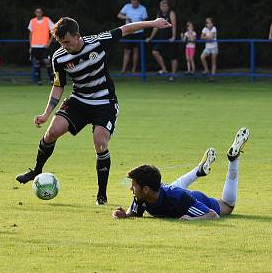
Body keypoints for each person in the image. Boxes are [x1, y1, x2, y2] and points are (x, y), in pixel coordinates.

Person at [15, 15, 171, 205]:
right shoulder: (59, 57)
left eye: (67, 42)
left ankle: (102, 195)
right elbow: (58, 85)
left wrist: (153, 24)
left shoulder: (98, 42)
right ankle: (36, 171)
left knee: (100, 143)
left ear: (77, 35)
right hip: (79, 100)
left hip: (104, 102)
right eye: (61, 43)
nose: (64, 46)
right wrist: (46, 113)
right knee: (52, 133)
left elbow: (126, 28)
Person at [112, 127, 250, 220]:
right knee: (173, 190)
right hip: (170, 192)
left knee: (228, 206)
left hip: (193, 198)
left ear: (146, 189)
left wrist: (192, 220)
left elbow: (212, 215)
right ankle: (198, 170)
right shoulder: (141, 196)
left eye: (133, 186)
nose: (131, 189)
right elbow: (134, 213)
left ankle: (233, 161)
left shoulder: (181, 200)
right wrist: (125, 215)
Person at [145, 0, 177, 78]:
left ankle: (173, 76)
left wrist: (173, 37)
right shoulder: (159, 14)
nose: (163, 7)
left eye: (165, 6)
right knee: (155, 51)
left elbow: (174, 25)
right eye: (162, 6)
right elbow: (155, 26)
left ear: (168, 7)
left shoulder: (171, 13)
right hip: (162, 38)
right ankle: (164, 69)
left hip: (170, 38)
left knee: (173, 56)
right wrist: (151, 37)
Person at [117, 0, 148, 73]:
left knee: (136, 51)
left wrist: (138, 25)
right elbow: (119, 15)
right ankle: (123, 70)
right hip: (128, 32)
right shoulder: (127, 6)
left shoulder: (143, 8)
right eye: (132, 3)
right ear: (131, 2)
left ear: (138, 2)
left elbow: (145, 21)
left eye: (135, 3)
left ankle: (134, 69)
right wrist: (126, 17)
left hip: (139, 32)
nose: (134, 5)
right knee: (126, 51)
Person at [28, 7, 55, 85]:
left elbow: (53, 31)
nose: (38, 13)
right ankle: (39, 81)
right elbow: (30, 34)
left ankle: (51, 80)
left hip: (44, 46)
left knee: (47, 62)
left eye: (40, 12)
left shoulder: (47, 20)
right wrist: (30, 46)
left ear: (42, 13)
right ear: (35, 13)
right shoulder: (32, 21)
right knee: (37, 63)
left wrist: (49, 43)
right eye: (37, 12)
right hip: (35, 46)